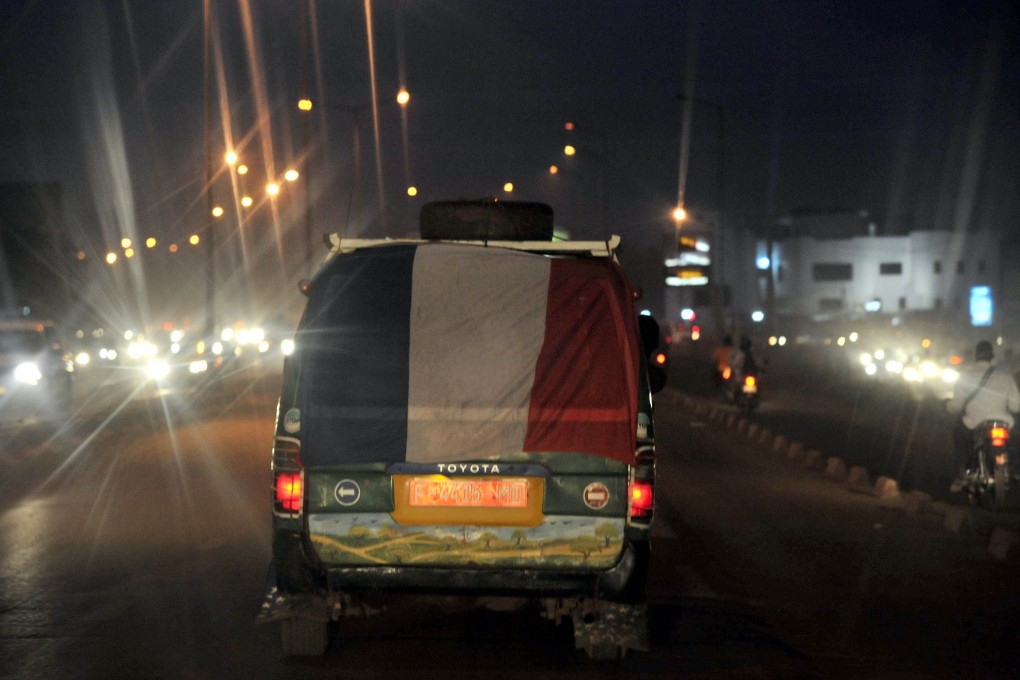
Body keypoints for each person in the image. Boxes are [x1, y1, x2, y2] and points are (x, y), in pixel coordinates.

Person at [946, 340, 1020, 490]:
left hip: (974, 423)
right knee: (1014, 441)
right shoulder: (1005, 377)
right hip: (1003, 423)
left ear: (976, 355)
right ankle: (1015, 469)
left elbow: (956, 405)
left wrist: (948, 406)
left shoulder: (965, 376)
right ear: (992, 356)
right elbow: (1016, 407)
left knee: (959, 435)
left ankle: (963, 474)